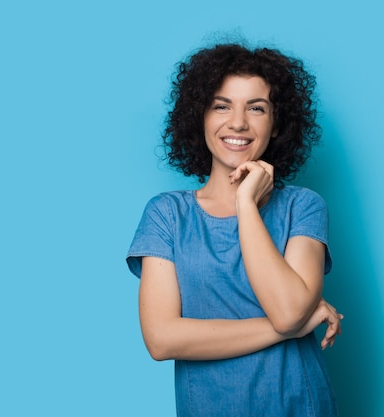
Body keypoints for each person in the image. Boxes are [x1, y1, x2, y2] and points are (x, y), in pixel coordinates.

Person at [126, 43, 342, 417]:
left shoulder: (303, 206)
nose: (238, 122)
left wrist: (246, 205)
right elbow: (161, 340)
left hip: (300, 405)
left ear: (277, 123)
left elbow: (289, 311)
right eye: (221, 105)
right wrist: (287, 329)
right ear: (201, 116)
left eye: (256, 107)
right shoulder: (166, 215)